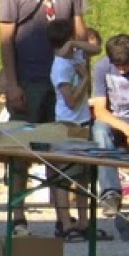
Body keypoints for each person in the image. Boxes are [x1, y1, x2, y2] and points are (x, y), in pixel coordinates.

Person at [0, 0, 97, 218]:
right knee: (23, 150)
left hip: (63, 80)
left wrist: (83, 72)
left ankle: (64, 218)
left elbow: (80, 30)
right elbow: (6, 40)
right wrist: (12, 84)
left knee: (63, 150)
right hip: (29, 78)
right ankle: (17, 215)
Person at [47, 18, 107, 241]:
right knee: (65, 177)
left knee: (83, 176)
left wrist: (76, 45)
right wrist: (84, 78)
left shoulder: (76, 56)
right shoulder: (60, 67)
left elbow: (97, 47)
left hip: (83, 125)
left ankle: (83, 221)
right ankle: (65, 222)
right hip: (67, 125)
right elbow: (71, 101)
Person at [89, 33, 129, 216]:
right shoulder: (102, 67)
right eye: (117, 65)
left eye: (126, 65)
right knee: (99, 130)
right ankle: (111, 194)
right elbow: (100, 110)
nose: (122, 70)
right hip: (113, 119)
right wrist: (127, 129)